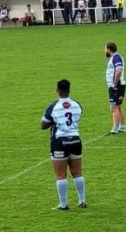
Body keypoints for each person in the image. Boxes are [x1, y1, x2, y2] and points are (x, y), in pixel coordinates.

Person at [40, 79, 86, 211]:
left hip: (60, 141)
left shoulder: (53, 106)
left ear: (57, 90)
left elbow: (43, 125)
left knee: (61, 174)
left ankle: (63, 204)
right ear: (69, 90)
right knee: (77, 172)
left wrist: (53, 122)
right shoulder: (77, 105)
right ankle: (82, 200)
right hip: (76, 140)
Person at [104, 42, 126, 135]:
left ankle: (115, 128)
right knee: (119, 106)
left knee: (114, 107)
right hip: (119, 85)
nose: (104, 51)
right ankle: (122, 127)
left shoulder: (116, 57)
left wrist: (114, 83)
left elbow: (118, 70)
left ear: (109, 49)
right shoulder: (115, 57)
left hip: (117, 85)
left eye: (105, 49)